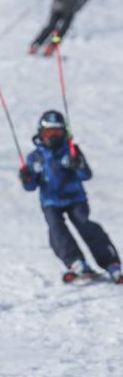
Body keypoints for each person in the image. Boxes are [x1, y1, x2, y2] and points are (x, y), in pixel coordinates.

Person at [19, 110, 121, 284]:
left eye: (57, 133)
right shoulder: (35, 157)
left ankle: (111, 263)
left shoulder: (71, 151)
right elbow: (31, 186)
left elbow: (86, 175)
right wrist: (26, 177)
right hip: (50, 201)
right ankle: (76, 262)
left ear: (64, 133)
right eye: (48, 133)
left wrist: (78, 164)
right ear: (40, 134)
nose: (52, 138)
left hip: (75, 199)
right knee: (56, 230)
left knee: (85, 224)